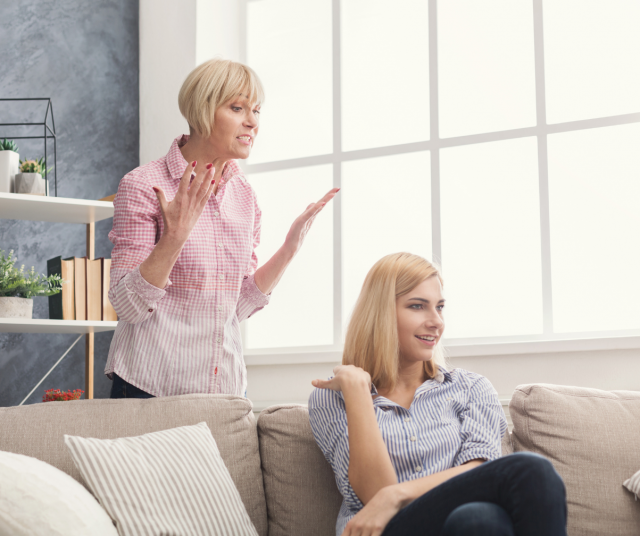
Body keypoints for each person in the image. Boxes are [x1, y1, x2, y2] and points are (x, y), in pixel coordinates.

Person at [106, 58, 338, 399]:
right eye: (237, 108)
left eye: (256, 111)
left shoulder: (245, 197)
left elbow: (234, 307)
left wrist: (288, 251)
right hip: (151, 388)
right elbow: (128, 307)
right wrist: (174, 238)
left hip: (223, 391)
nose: (252, 122)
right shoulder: (143, 185)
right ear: (202, 110)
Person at [309, 253, 567, 536]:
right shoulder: (332, 397)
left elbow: (480, 473)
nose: (436, 322)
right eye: (417, 306)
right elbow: (375, 496)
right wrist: (358, 393)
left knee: (480, 519)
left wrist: (397, 493)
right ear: (380, 314)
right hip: (385, 531)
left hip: (457, 526)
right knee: (532, 470)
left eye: (440, 307)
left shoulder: (471, 388)